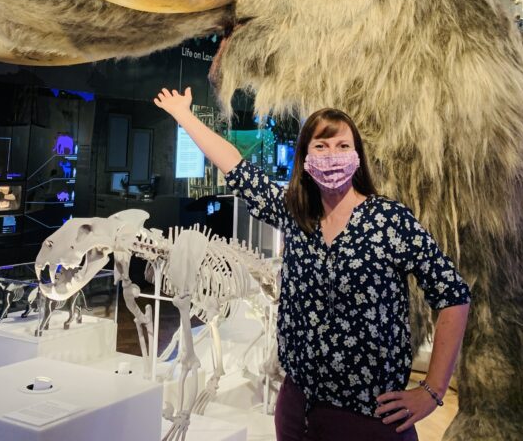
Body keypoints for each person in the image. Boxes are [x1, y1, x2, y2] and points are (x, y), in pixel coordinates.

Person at [154, 87, 471, 440]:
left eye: (342, 146)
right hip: (297, 408)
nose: (332, 155)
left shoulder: (389, 219)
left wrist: (433, 390)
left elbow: (453, 294)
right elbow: (234, 165)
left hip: (370, 413)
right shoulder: (296, 214)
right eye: (320, 146)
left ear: (357, 156)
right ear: (305, 158)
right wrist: (184, 115)